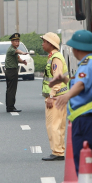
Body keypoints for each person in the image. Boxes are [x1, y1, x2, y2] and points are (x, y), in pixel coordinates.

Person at [49, 30, 92, 183]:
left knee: (84, 166)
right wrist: (64, 80)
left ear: (76, 49)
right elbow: (82, 82)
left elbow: (81, 84)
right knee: (91, 165)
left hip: (86, 122)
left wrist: (67, 95)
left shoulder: (87, 64)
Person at [40, 32, 69, 161]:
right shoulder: (55, 57)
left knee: (53, 125)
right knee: (59, 125)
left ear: (50, 44)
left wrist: (51, 96)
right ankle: (60, 150)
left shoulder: (55, 58)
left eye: (44, 41)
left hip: (56, 97)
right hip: (61, 96)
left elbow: (57, 79)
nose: (42, 44)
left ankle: (57, 152)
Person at [4, 33, 27, 113]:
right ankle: (10, 107)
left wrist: (23, 62)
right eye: (15, 41)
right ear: (12, 42)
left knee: (10, 89)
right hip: (11, 71)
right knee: (11, 90)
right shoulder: (11, 49)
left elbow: (18, 59)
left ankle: (10, 106)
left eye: (18, 41)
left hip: (11, 71)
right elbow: (17, 51)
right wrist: (23, 53)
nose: (17, 43)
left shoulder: (13, 50)